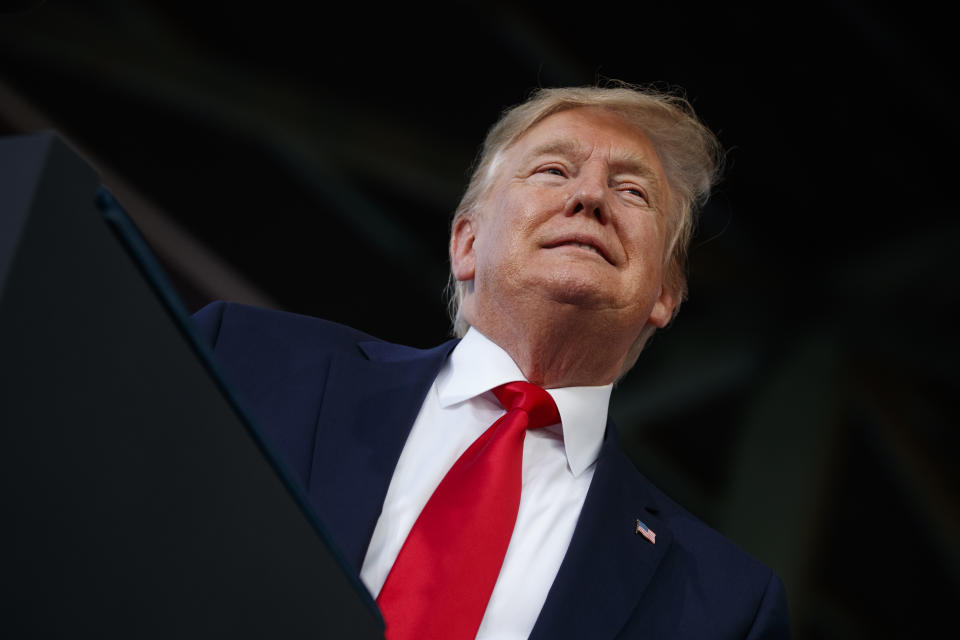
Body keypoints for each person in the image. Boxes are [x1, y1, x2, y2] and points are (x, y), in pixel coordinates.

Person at [192, 84, 790, 639]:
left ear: (664, 293)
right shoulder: (245, 359)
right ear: (467, 243)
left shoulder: (726, 604)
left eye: (632, 192)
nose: (590, 197)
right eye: (553, 170)